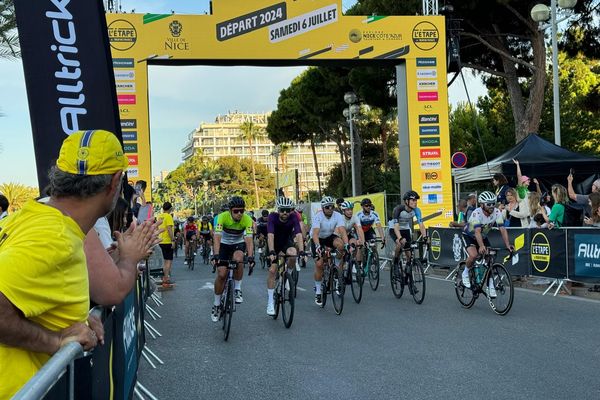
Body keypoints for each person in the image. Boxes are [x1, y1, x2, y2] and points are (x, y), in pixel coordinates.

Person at [0, 129, 129, 398]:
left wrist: (73, 322)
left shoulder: (29, 217)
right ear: (115, 182)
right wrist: (56, 342)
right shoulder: (55, 237)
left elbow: (31, 295)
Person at [461, 191, 514, 296]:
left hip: (483, 236)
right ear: (481, 205)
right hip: (469, 236)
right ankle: (465, 272)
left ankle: (490, 286)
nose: (491, 206)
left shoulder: (497, 212)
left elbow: (502, 229)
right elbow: (477, 232)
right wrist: (481, 246)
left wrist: (508, 245)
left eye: (493, 204)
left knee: (490, 259)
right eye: (488, 204)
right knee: (474, 255)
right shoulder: (477, 213)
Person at [211, 196, 255, 322]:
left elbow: (249, 240)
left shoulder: (247, 219)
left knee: (239, 258)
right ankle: (216, 304)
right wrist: (216, 255)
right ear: (230, 210)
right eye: (236, 211)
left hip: (237, 244)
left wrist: (251, 256)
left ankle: (237, 289)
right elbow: (217, 237)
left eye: (241, 210)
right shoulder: (222, 217)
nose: (239, 213)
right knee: (222, 274)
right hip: (223, 245)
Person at [265, 197, 305, 315]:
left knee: (293, 253)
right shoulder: (272, 217)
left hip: (286, 242)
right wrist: (272, 251)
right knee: (273, 270)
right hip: (274, 244)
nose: (285, 213)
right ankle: (270, 302)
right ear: (278, 209)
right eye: (282, 210)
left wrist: (302, 251)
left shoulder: (293, 217)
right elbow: (270, 236)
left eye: (287, 210)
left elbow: (298, 234)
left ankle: (287, 276)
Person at [311, 196, 349, 306]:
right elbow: (315, 234)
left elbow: (342, 231)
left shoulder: (337, 215)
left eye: (332, 206)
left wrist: (347, 244)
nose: (330, 209)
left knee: (340, 245)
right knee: (319, 264)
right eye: (327, 207)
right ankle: (318, 291)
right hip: (317, 239)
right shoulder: (318, 216)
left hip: (329, 237)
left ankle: (336, 270)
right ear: (323, 208)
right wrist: (318, 246)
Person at [390, 191, 427, 265]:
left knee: (408, 253)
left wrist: (425, 236)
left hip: (405, 228)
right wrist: (400, 238)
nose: (415, 202)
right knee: (399, 244)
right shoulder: (398, 210)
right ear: (407, 201)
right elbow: (396, 227)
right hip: (394, 228)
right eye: (413, 200)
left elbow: (421, 225)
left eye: (416, 200)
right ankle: (396, 261)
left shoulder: (417, 210)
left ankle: (408, 270)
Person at [340, 200, 366, 271]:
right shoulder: (340, 218)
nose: (350, 211)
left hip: (348, 235)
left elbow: (359, 229)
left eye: (351, 209)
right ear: (343, 211)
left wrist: (362, 241)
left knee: (354, 243)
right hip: (339, 236)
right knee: (341, 251)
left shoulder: (355, 217)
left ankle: (352, 262)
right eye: (348, 210)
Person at [158, 202, 176, 287]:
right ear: (170, 209)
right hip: (167, 241)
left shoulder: (159, 216)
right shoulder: (168, 216)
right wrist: (173, 240)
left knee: (164, 260)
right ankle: (166, 278)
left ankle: (164, 277)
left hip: (160, 241)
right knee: (168, 260)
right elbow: (169, 229)